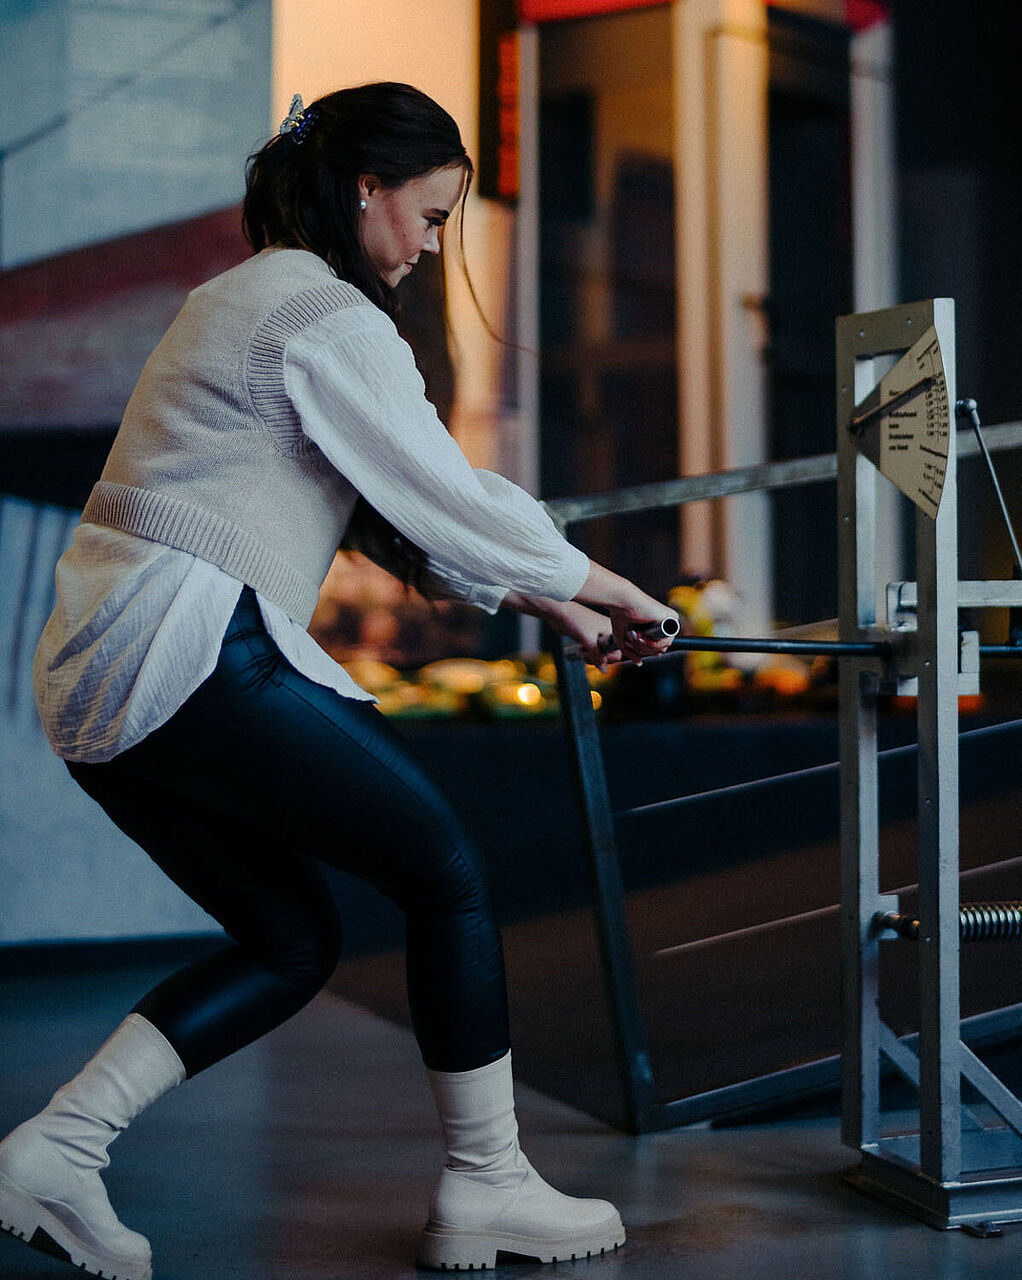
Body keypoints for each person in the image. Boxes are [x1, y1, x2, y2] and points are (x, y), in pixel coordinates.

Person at [0, 83, 676, 1279]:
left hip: (103, 674)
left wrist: (554, 603)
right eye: (426, 214)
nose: (428, 244)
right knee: (446, 874)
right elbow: (447, 493)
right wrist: (610, 583)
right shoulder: (321, 314)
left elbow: (381, 516)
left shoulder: (244, 295)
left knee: (288, 934)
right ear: (365, 189)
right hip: (189, 640)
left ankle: (57, 1148)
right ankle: (486, 1184)